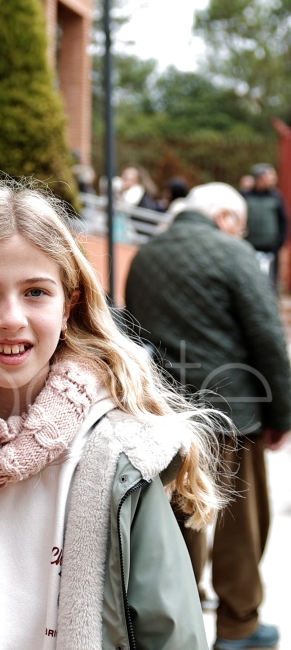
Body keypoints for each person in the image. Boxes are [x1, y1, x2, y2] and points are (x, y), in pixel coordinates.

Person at [0, 182, 225, 649]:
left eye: (35, 291)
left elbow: (170, 632)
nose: (11, 318)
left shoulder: (121, 457)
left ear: (69, 305)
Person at [126, 182, 291, 650]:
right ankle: (239, 625)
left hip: (168, 413)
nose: (240, 233)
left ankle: (183, 617)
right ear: (224, 217)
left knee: (181, 519)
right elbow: (268, 338)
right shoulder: (233, 253)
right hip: (233, 412)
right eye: (240, 225)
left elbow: (137, 333)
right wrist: (282, 415)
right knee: (242, 521)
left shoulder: (145, 257)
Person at [243, 162, 287, 292]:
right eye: (270, 175)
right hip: (250, 247)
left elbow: (283, 221)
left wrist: (279, 243)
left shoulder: (276, 197)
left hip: (271, 249)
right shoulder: (246, 196)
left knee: (270, 282)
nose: (274, 179)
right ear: (259, 178)